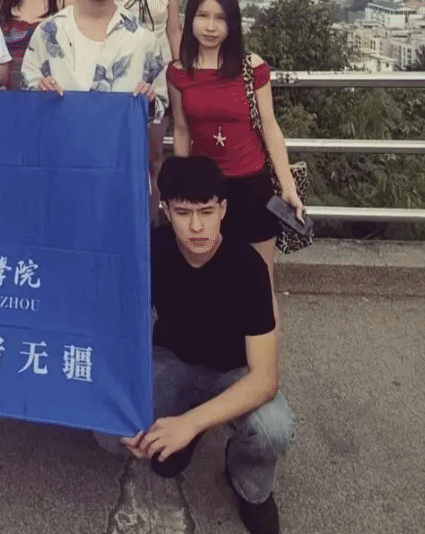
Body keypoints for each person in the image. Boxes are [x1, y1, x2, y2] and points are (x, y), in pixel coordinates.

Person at [114, 155, 294, 534]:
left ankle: (249, 483)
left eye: (207, 212)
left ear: (223, 209)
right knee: (108, 430)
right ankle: (183, 427)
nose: (196, 226)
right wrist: (123, 409)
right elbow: (121, 333)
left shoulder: (248, 266)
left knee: (274, 429)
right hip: (171, 361)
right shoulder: (150, 252)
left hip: (234, 371)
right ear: (166, 210)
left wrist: (189, 425)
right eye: (183, 213)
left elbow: (265, 379)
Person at [166, 0, 303, 304]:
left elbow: (270, 127)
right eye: (203, 16)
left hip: (253, 187)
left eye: (221, 18)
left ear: (233, 23)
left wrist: (287, 185)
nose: (211, 27)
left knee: (260, 283)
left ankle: (264, 340)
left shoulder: (251, 67)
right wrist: (182, 189)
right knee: (209, 281)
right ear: (190, 19)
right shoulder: (178, 72)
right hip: (206, 193)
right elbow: (182, 130)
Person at [22, 0, 168, 121]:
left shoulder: (142, 38)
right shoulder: (50, 32)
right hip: (60, 136)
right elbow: (26, 93)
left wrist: (149, 101)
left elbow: (159, 107)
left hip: (117, 139)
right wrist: (39, 92)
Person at [117, 0, 181, 215]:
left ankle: (152, 220)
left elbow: (173, 31)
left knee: (155, 155)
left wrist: (180, 74)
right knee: (123, 154)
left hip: (160, 75)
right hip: (122, 72)